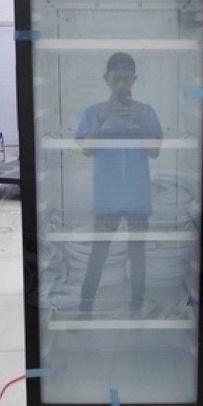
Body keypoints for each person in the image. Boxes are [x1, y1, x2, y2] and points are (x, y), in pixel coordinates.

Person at [75, 52, 163, 316]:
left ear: (134, 79)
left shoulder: (146, 112)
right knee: (99, 252)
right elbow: (87, 150)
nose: (122, 85)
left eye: (127, 79)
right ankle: (85, 309)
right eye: (117, 79)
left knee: (137, 255)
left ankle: (136, 308)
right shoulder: (93, 113)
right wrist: (101, 120)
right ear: (107, 79)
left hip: (137, 197)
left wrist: (139, 122)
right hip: (107, 197)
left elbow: (154, 151)